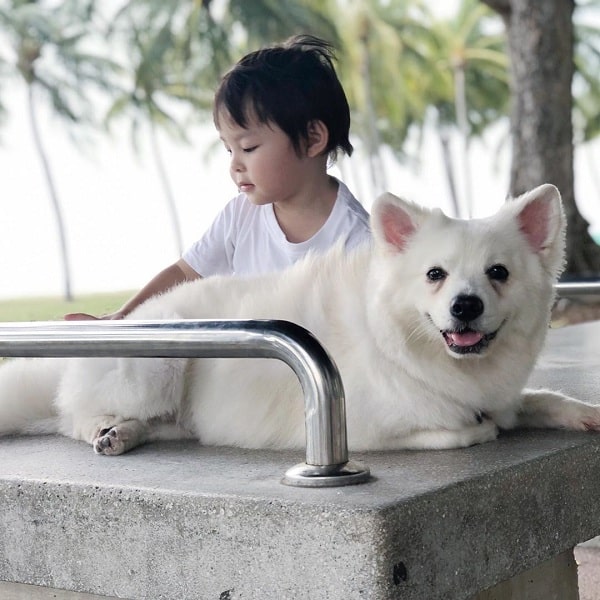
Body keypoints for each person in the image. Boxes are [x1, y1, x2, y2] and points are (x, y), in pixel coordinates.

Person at [65, 34, 370, 321]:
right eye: (228, 150)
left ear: (312, 138)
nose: (235, 165)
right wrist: (123, 317)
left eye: (248, 147)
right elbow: (184, 275)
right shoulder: (240, 216)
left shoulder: (360, 243)